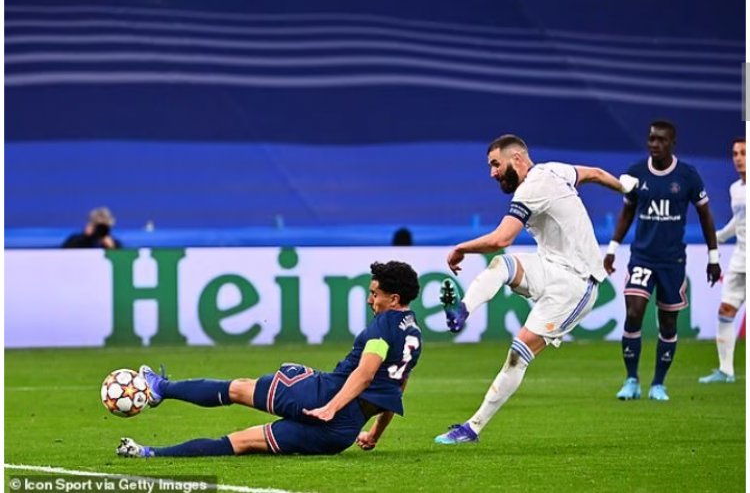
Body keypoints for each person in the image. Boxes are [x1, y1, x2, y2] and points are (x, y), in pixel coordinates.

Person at [433, 134, 637, 445]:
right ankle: (461, 311)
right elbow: (595, 173)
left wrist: (461, 248)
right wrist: (624, 188)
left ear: (516, 159)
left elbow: (501, 238)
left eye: (495, 164)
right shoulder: (555, 170)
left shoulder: (532, 189)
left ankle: (472, 427)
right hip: (550, 266)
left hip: (576, 285)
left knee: (518, 354)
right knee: (503, 265)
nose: (492, 173)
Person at [116, 260, 422, 457]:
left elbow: (365, 374)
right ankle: (148, 453)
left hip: (322, 397)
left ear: (393, 299)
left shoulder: (382, 326)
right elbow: (397, 387)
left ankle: (161, 388)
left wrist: (330, 407)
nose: (370, 299)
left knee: (237, 389)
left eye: (375, 294)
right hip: (341, 433)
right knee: (242, 442)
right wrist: (374, 434)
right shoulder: (414, 335)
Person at [604, 120, 721, 401]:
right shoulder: (636, 173)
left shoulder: (688, 176)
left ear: (672, 143)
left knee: (668, 324)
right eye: (651, 139)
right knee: (634, 313)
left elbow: (705, 216)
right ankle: (631, 380)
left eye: (661, 140)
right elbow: (627, 213)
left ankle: (658, 384)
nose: (654, 144)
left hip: (672, 261)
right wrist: (612, 248)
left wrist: (713, 257)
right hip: (642, 257)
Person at [699, 137, 745, 383]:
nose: (738, 158)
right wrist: (718, 237)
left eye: (744, 153)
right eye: (735, 153)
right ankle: (726, 371)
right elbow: (740, 220)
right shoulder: (735, 189)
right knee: (725, 310)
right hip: (740, 259)